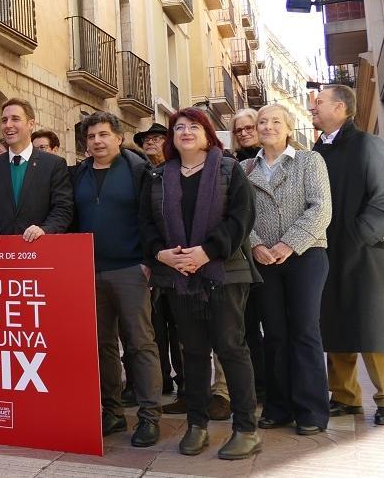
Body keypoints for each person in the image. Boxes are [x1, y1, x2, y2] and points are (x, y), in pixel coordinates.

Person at [138, 108, 261, 460]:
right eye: (179, 127)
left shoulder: (228, 168)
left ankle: (246, 429)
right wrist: (160, 254)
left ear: (208, 134)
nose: (186, 132)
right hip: (177, 275)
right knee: (191, 351)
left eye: (193, 126)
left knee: (230, 348)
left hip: (224, 271)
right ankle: (197, 424)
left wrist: (207, 253)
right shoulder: (159, 175)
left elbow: (242, 217)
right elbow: (145, 222)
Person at [71, 112, 161, 447]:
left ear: (118, 138)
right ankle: (113, 412)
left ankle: (150, 417)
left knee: (140, 344)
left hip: (131, 269)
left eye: (104, 134)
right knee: (102, 345)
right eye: (91, 136)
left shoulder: (139, 171)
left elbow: (153, 217)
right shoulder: (78, 173)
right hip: (89, 271)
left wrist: (149, 261)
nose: (97, 141)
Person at [243, 104, 332, 435]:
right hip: (264, 260)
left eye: (275, 121)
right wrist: (255, 245)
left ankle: (311, 410)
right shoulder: (245, 167)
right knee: (274, 333)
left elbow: (321, 208)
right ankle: (279, 407)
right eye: (262, 121)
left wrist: (288, 244)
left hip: (306, 255)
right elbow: (241, 215)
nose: (267, 126)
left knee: (305, 330)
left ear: (289, 129)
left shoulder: (309, 161)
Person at [312, 84, 384, 426]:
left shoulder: (369, 145)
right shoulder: (316, 153)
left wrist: (360, 235)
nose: (313, 108)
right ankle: (344, 396)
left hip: (367, 253)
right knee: (335, 321)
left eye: (320, 103)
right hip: (328, 250)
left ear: (341, 109)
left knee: (374, 324)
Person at [135, 121, 185, 403]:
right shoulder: (145, 174)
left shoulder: (181, 169)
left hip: (183, 260)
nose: (151, 143)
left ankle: (186, 386)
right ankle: (162, 379)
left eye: (157, 138)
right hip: (155, 260)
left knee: (180, 326)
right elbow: (144, 218)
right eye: (146, 140)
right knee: (155, 326)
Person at [0, 98, 73, 241]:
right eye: (4, 120)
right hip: (1, 252)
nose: (8, 125)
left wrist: (45, 229)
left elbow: (63, 208)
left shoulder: (54, 164)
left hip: (40, 251)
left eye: (15, 119)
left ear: (31, 124)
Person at [231, 108, 266, 404]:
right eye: (238, 129)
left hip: (279, 254)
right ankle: (259, 387)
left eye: (248, 127)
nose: (243, 132)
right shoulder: (233, 165)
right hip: (245, 256)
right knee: (249, 327)